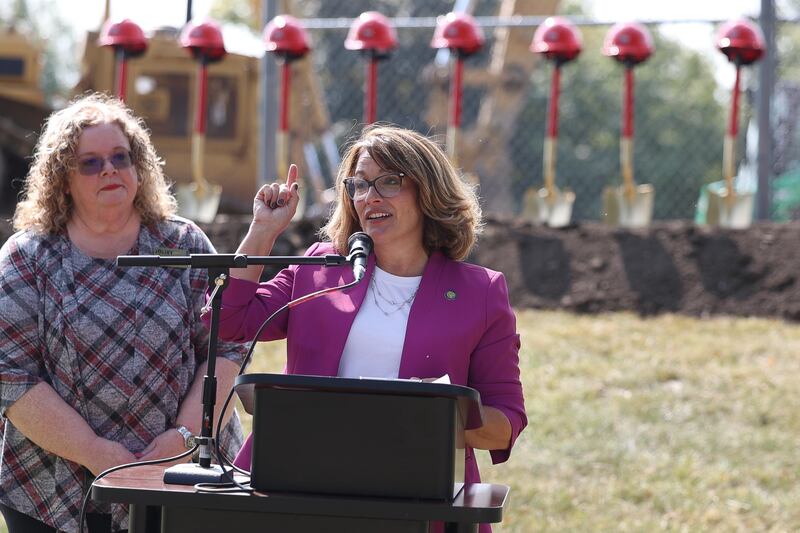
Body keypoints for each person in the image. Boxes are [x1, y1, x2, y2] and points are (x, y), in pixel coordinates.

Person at [213, 124, 527, 532]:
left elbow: (505, 424)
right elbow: (230, 321)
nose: (370, 196)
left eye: (389, 182)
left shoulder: (480, 292)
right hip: (302, 488)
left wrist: (441, 414)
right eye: (359, 185)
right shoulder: (320, 267)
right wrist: (263, 231)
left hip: (418, 497)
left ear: (428, 191)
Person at [0, 93, 247, 533]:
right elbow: (11, 375)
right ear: (63, 179)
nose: (109, 169)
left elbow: (229, 346)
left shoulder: (185, 244)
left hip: (185, 478)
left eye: (120, 156)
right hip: (53, 487)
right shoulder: (27, 257)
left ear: (140, 166)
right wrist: (95, 452)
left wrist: (184, 440)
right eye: (90, 163)